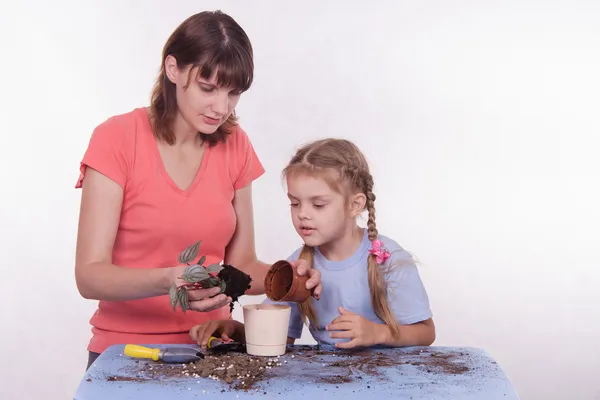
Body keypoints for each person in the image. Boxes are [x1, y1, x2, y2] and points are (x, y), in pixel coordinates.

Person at [74, 10, 322, 369]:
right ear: (173, 69)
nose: (221, 108)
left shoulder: (235, 144)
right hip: (127, 353)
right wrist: (168, 278)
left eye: (233, 93)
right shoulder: (116, 139)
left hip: (212, 347)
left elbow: (241, 265)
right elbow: (89, 275)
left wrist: (288, 277)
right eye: (208, 88)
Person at [190, 138, 435, 349]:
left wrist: (377, 333)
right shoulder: (299, 267)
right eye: (295, 203)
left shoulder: (387, 258)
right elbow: (279, 337)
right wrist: (234, 330)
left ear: (355, 205)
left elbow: (426, 332)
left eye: (318, 205)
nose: (303, 214)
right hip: (331, 381)